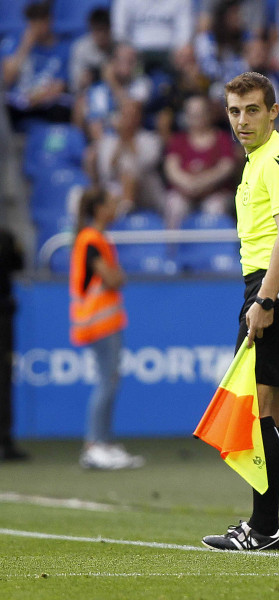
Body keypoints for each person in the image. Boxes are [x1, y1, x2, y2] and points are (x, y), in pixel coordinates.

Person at [201, 72, 279, 553]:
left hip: (277, 287)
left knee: (256, 413)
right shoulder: (259, 160)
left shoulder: (278, 158)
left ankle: (261, 529)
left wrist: (265, 299)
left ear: (273, 111)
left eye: (252, 109)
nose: (242, 120)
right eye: (234, 111)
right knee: (276, 413)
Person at [69, 188, 144, 471]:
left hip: (102, 323)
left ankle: (103, 443)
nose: (115, 208)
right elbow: (113, 278)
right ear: (99, 208)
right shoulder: (91, 240)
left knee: (108, 382)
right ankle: (94, 445)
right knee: (105, 383)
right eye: (111, 203)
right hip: (98, 323)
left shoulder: (94, 238)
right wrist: (116, 275)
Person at [163, 94, 240, 228]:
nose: (196, 119)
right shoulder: (178, 140)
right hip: (184, 192)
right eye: (192, 115)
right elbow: (171, 168)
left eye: (200, 114)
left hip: (215, 193)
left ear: (209, 114)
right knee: (174, 205)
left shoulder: (222, 139)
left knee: (215, 207)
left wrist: (200, 183)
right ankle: (173, 248)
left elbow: (226, 168)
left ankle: (214, 248)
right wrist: (189, 184)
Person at [0, 230, 25, 461]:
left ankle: (5, 441)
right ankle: (4, 441)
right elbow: (19, 263)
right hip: (3, 317)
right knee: (3, 380)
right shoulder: (6, 239)